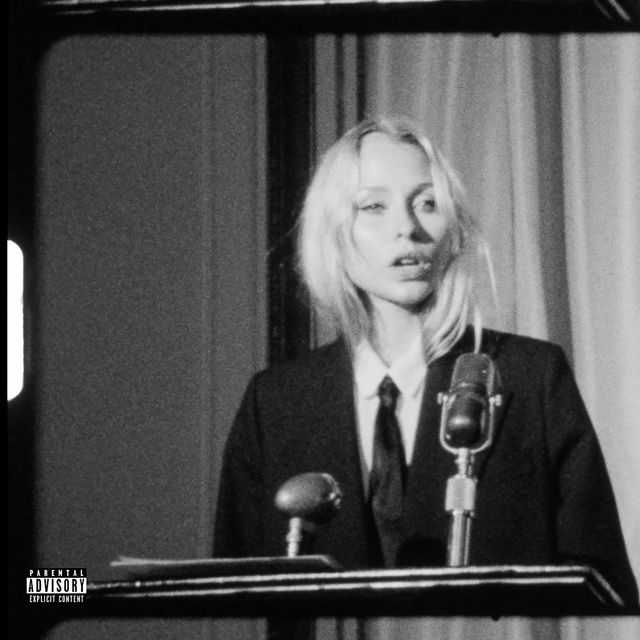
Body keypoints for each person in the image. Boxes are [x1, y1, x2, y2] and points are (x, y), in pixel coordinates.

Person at [213, 117, 638, 606]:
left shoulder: (531, 378)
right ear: (332, 233)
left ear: (453, 229)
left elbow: (607, 596)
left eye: (427, 203)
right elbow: (230, 604)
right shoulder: (275, 403)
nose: (407, 229)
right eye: (373, 206)